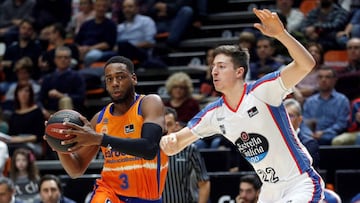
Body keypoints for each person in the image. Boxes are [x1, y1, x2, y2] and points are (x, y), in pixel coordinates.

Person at [160, 8, 325, 202]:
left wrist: (281, 35)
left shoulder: (262, 91)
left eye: (221, 66)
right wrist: (167, 143)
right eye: (213, 67)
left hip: (299, 183)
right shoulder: (214, 113)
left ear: (239, 72)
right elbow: (176, 144)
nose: (214, 72)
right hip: (270, 190)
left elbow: (306, 64)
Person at [46, 56, 168, 202]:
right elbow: (76, 169)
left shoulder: (149, 103)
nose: (115, 83)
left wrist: (100, 139)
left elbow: (149, 148)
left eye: (120, 77)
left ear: (133, 78)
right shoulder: (99, 119)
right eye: (109, 79)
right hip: (110, 192)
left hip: (147, 197)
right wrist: (61, 146)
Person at [162, 107, 210, 203]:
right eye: (162, 125)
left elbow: (204, 182)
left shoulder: (189, 149)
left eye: (169, 124)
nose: (166, 129)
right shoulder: (148, 151)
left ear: (176, 126)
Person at [302, 66, 350, 145]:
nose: (323, 80)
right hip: (311, 136)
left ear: (334, 80)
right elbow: (304, 122)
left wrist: (324, 132)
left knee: (327, 138)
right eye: (320, 77)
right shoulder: (310, 101)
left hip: (332, 135)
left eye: (327, 77)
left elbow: (342, 124)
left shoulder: (342, 100)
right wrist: (309, 133)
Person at [39, 46, 86, 113]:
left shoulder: (77, 76)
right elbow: (40, 99)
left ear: (70, 60)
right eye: (59, 57)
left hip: (72, 112)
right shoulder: (48, 78)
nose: (62, 60)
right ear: (55, 59)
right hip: (50, 113)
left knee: (65, 100)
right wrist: (43, 110)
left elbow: (81, 97)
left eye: (66, 57)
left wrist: (62, 95)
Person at [7, 83, 47, 159]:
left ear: (31, 94)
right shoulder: (14, 114)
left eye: (26, 91)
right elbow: (11, 134)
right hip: (16, 143)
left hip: (33, 145)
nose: (23, 94)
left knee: (22, 149)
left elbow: (40, 136)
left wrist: (21, 139)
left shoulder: (37, 112)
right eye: (20, 91)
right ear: (16, 94)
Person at [75, 0, 117, 68]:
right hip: (82, 49)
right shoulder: (86, 24)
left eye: (104, 6)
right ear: (94, 7)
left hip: (99, 51)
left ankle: (84, 73)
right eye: (98, 6)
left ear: (107, 8)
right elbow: (77, 41)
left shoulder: (111, 25)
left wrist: (89, 49)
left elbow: (108, 44)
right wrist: (80, 49)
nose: (101, 8)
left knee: (90, 56)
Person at [116, 0, 157, 66]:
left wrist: (131, 46)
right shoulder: (120, 27)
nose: (127, 9)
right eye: (124, 7)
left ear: (137, 8)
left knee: (124, 45)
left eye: (130, 7)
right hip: (123, 54)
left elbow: (150, 43)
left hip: (141, 53)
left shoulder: (146, 21)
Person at [284, 98, 320, 169]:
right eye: (284, 116)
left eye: (290, 116)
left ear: (299, 119)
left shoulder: (309, 143)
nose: (286, 119)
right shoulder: (274, 142)